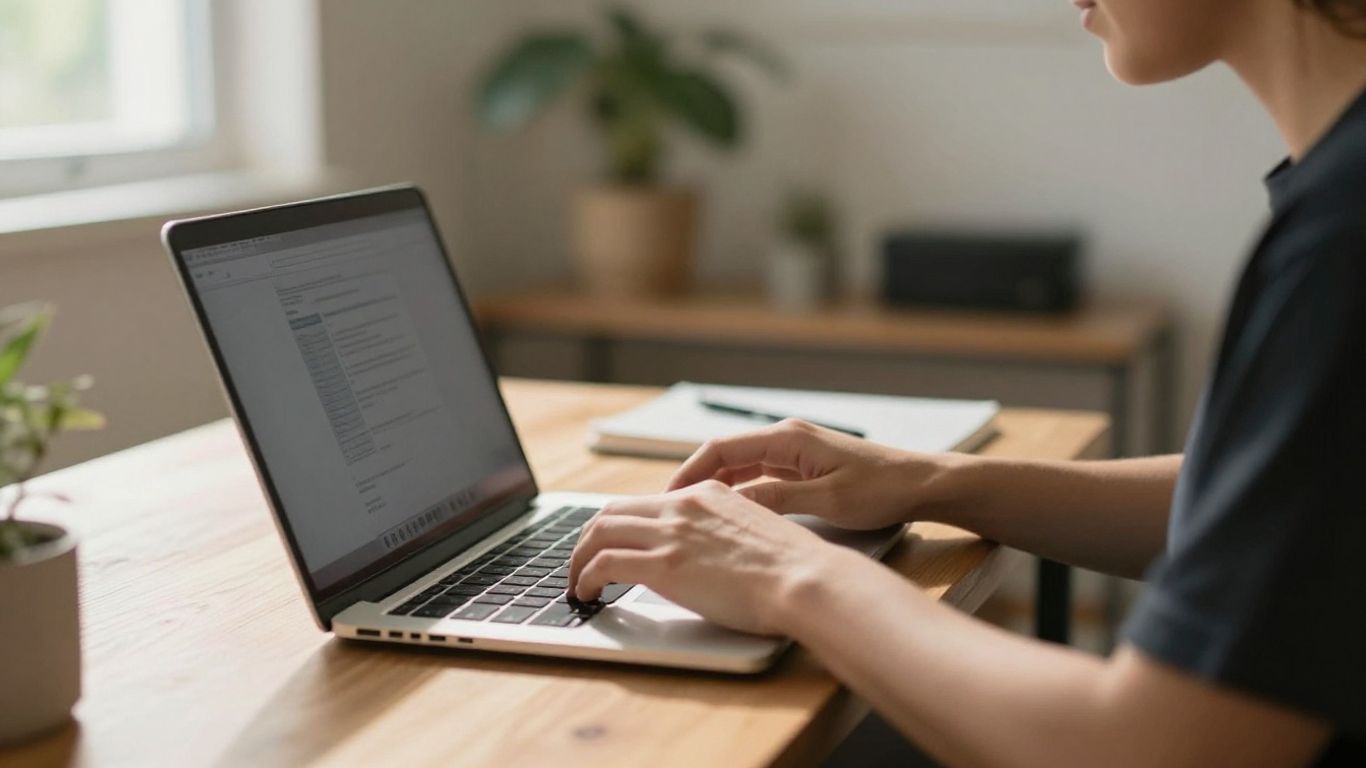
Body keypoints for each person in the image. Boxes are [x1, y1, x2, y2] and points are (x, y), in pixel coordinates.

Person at [566, 0, 1366, 765]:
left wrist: (789, 574)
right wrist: (935, 483)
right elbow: (1288, 513)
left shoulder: (1344, 238)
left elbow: (1150, 748)